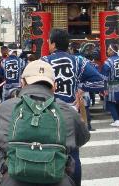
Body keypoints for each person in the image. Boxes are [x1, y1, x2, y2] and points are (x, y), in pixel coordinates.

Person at [0, 60, 90, 186]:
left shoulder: (6, 108)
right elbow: (83, 138)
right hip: (58, 180)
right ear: (54, 86)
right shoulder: (66, 110)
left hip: (12, 181)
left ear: (22, 83)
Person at [41, 29, 104, 185]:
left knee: (47, 151)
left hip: (47, 114)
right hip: (70, 112)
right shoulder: (79, 61)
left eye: (49, 41)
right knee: (73, 154)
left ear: (53, 43)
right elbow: (99, 82)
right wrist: (80, 88)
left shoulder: (43, 62)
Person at [101, 44, 119, 127]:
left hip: (112, 85)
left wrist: (103, 88)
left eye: (109, 50)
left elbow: (104, 77)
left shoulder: (108, 61)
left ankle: (116, 120)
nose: (107, 51)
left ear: (112, 51)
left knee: (110, 103)